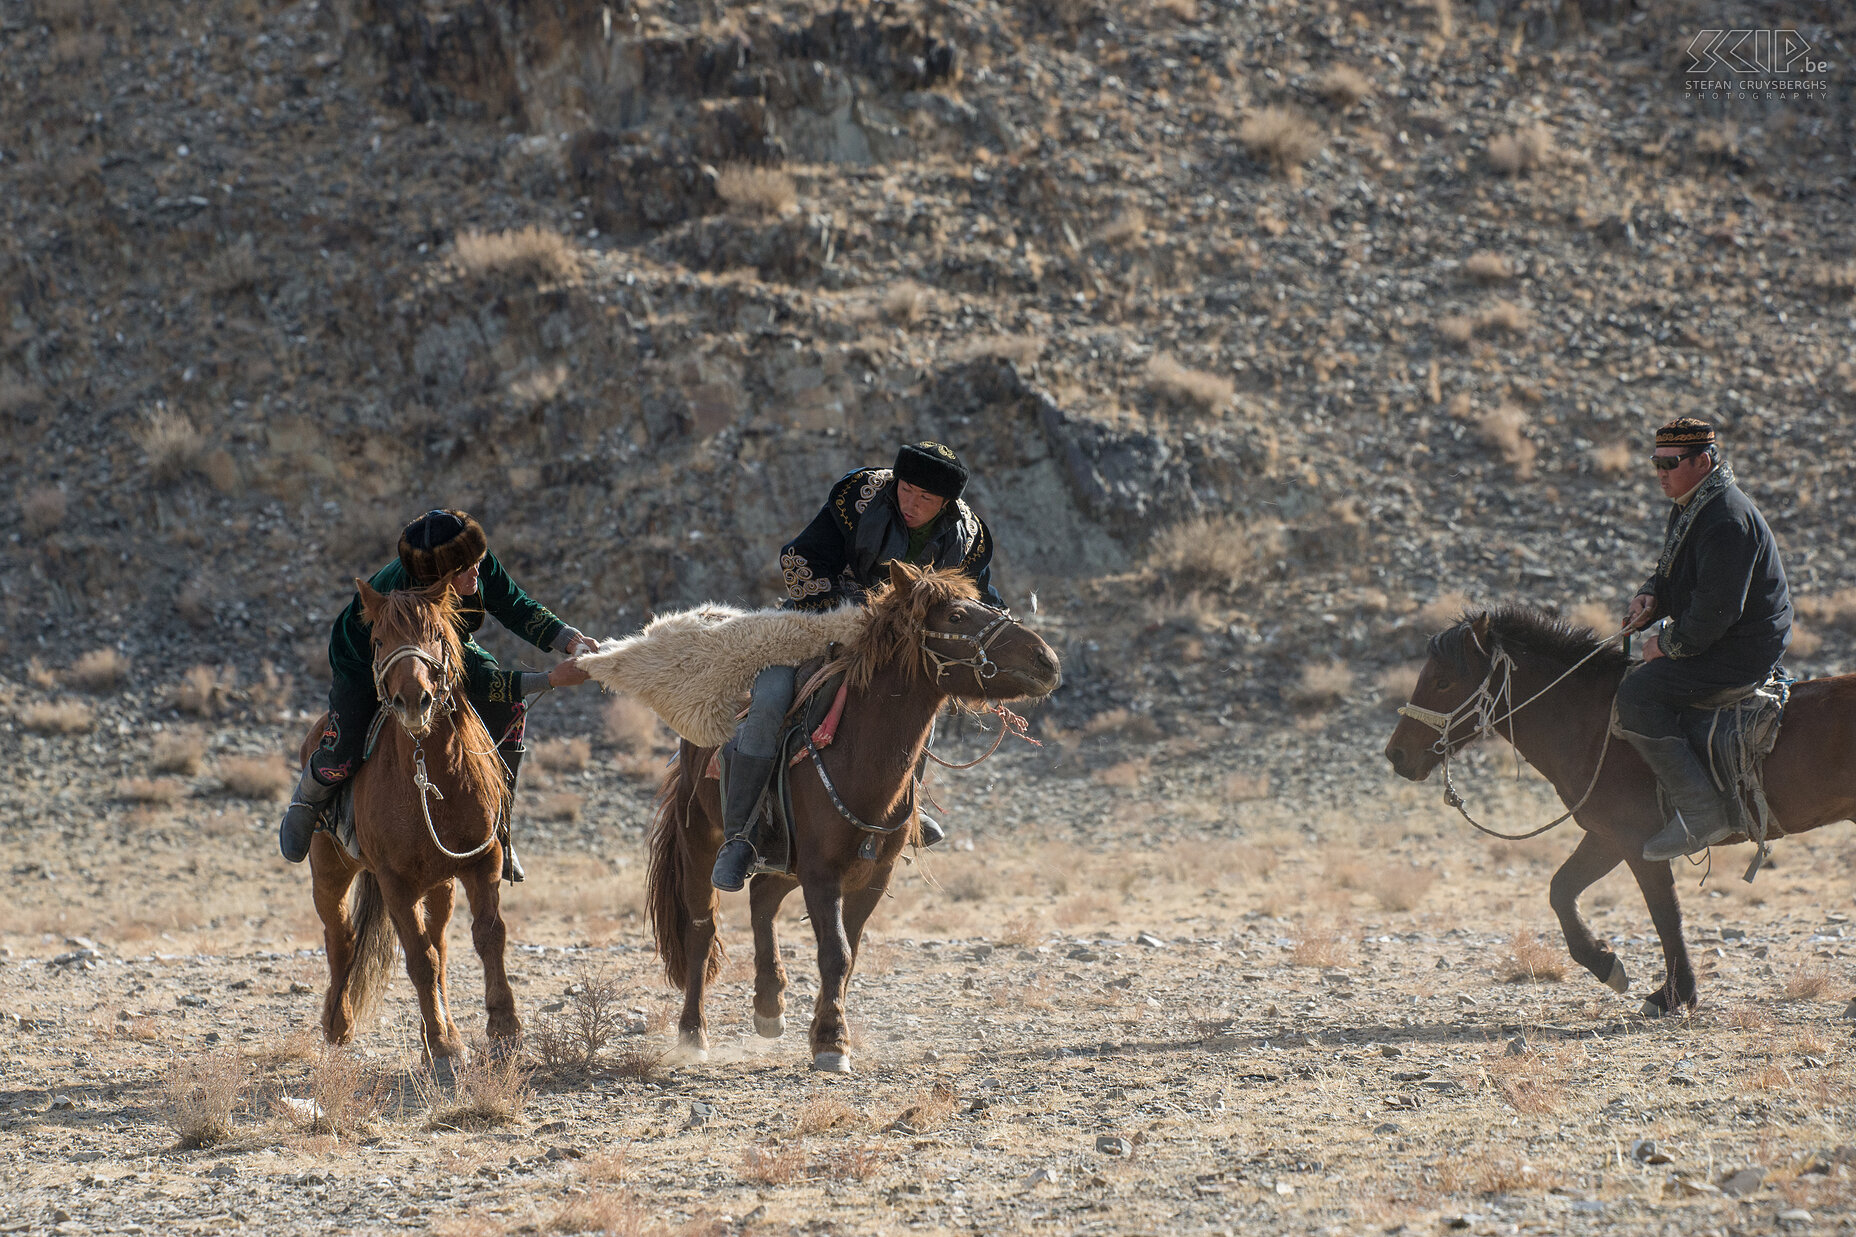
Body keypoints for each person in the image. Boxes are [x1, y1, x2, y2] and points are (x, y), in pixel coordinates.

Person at [711, 441, 1006, 892]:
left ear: (947, 503)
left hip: (896, 650)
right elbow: (799, 559)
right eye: (906, 489)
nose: (910, 503)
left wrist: (1004, 627)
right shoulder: (860, 496)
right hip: (818, 623)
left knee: (921, 696)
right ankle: (740, 837)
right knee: (770, 698)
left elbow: (977, 596)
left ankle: (908, 809)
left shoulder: (970, 538)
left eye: (925, 499)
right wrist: (851, 611)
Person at [278, 509, 599, 882]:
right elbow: (473, 680)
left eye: (478, 562)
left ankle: (499, 828)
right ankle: (308, 798)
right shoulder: (414, 595)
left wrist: (570, 640)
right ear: (437, 577)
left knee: (510, 708)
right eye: (465, 570)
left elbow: (514, 605)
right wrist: (550, 679)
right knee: (344, 744)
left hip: (444, 643)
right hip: (363, 654)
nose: (477, 573)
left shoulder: (471, 561)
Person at [1617, 418, 1792, 862]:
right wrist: (1650, 596)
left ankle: (1702, 813)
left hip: (1742, 647)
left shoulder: (1726, 519)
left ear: (1703, 460)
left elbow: (1715, 612)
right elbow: (1675, 573)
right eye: (1656, 462)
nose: (1660, 472)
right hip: (1724, 635)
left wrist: (1665, 644)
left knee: (1637, 693)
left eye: (1670, 463)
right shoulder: (1692, 503)